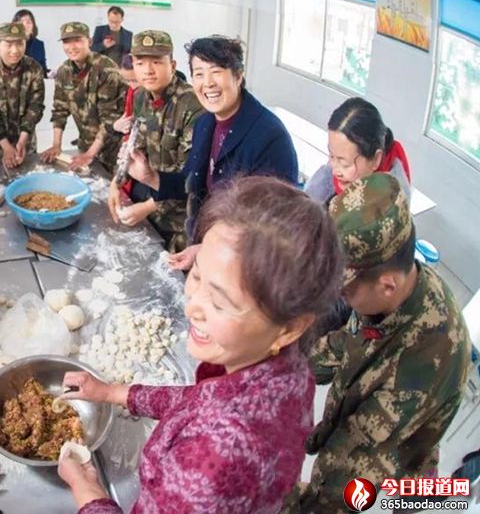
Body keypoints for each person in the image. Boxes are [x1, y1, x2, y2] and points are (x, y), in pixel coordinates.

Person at [58, 176, 343, 513]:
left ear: (291, 327)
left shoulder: (214, 460)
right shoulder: (285, 366)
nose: (192, 306)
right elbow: (200, 399)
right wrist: (112, 393)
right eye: (196, 275)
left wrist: (86, 489)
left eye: (220, 302)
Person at [282, 174, 471, 513]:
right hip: (370, 417)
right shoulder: (389, 291)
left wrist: (269, 493)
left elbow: (344, 476)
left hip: (394, 451)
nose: (338, 297)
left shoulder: (421, 365)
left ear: (387, 285)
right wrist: (282, 370)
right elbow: (345, 344)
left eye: (344, 291)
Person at [127, 35, 298, 270]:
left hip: (245, 263)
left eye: (216, 72)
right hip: (207, 245)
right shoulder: (206, 122)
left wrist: (206, 248)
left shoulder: (269, 136)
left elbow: (268, 224)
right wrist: (150, 177)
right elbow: (191, 182)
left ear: (238, 75)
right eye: (199, 74)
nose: (207, 83)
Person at [107, 30, 204, 252]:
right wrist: (116, 182)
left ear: (172, 65)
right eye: (140, 63)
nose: (148, 70)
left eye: (157, 62)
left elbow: (191, 180)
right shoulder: (141, 96)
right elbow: (134, 145)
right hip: (149, 206)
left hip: (181, 221)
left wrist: (147, 208)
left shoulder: (193, 106)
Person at [41, 22, 126, 172]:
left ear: (90, 41)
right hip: (85, 145)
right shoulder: (64, 71)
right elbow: (60, 110)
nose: (72, 47)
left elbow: (110, 118)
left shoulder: (106, 69)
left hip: (113, 148)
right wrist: (56, 145)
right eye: (67, 42)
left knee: (109, 183)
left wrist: (90, 154)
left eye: (77, 40)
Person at [305, 96, 412, 204]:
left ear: (375, 160)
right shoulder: (323, 184)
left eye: (345, 164)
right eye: (331, 156)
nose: (335, 171)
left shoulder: (391, 202)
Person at [0, 22, 45, 168]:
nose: (15, 50)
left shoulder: (34, 68)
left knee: (28, 179)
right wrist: (6, 147)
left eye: (20, 43)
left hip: (25, 144)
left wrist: (22, 140)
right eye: (9, 44)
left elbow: (35, 107)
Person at [0, 9, 48, 74]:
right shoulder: (4, 42)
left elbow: (43, 69)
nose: (25, 26)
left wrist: (50, 73)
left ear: (33, 27)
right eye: (21, 22)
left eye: (28, 22)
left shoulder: (39, 44)